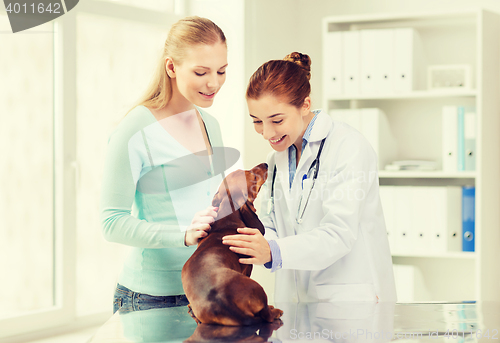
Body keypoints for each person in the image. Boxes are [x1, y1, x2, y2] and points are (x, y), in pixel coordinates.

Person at [222, 52, 397, 302]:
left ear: (305, 105)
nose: (266, 133)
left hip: (347, 302)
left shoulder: (348, 147)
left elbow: (339, 233)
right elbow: (270, 222)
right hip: (293, 300)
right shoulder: (278, 159)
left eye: (276, 120)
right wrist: (252, 240)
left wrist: (273, 250)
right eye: (257, 121)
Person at [100, 16, 228, 314]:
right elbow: (112, 222)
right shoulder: (135, 129)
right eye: (201, 72)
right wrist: (182, 234)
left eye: (221, 71)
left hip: (207, 293)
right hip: (150, 298)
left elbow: (209, 204)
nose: (214, 83)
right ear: (171, 67)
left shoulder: (211, 125)